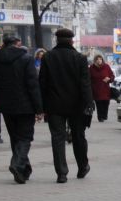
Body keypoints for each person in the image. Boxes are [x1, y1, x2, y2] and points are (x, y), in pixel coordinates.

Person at [38, 28, 92, 183]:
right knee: (78, 136)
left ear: (56, 40)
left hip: (54, 105)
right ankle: (82, 166)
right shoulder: (80, 58)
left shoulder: (48, 57)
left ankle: (61, 173)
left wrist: (41, 106)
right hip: (77, 105)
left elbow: (42, 83)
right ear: (72, 41)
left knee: (57, 138)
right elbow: (85, 84)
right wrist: (89, 104)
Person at [0, 38, 42, 183]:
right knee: (25, 137)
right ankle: (17, 164)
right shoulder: (26, 58)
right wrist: (39, 108)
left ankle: (24, 169)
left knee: (15, 137)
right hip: (25, 105)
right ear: (17, 45)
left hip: (5, 104)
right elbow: (32, 84)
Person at [89, 54, 115, 122]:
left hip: (106, 89)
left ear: (102, 60)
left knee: (106, 103)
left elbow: (112, 76)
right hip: (96, 89)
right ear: (95, 60)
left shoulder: (106, 66)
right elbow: (88, 78)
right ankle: (100, 117)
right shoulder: (91, 68)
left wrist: (109, 79)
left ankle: (104, 115)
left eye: (100, 59)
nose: (99, 61)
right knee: (99, 104)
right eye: (97, 59)